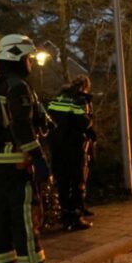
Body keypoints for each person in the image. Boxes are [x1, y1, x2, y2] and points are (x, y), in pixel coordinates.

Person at [0, 34, 58, 263]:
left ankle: (4, 262)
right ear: (16, 56)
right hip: (18, 160)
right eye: (28, 58)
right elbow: (22, 126)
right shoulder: (17, 86)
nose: (30, 63)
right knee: (25, 212)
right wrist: (38, 157)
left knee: (1, 212)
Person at [47, 74, 95, 231]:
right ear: (84, 86)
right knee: (76, 181)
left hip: (56, 145)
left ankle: (64, 216)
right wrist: (90, 120)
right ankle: (76, 217)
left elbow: (48, 120)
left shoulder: (58, 98)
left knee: (62, 182)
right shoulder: (79, 99)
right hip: (73, 145)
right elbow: (84, 122)